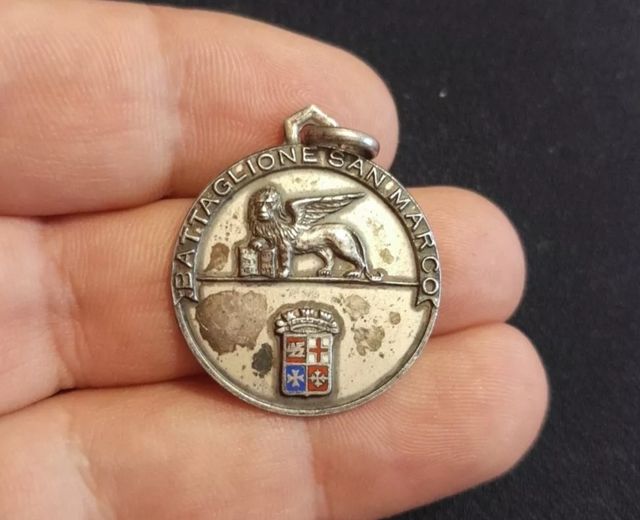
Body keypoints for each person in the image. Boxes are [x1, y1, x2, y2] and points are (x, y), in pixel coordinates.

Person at [0, 1, 548, 518]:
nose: (263, 207)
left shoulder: (295, 217)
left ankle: (358, 269)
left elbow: (294, 237)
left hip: (311, 246)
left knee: (341, 246)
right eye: (261, 204)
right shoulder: (265, 220)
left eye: (266, 203)